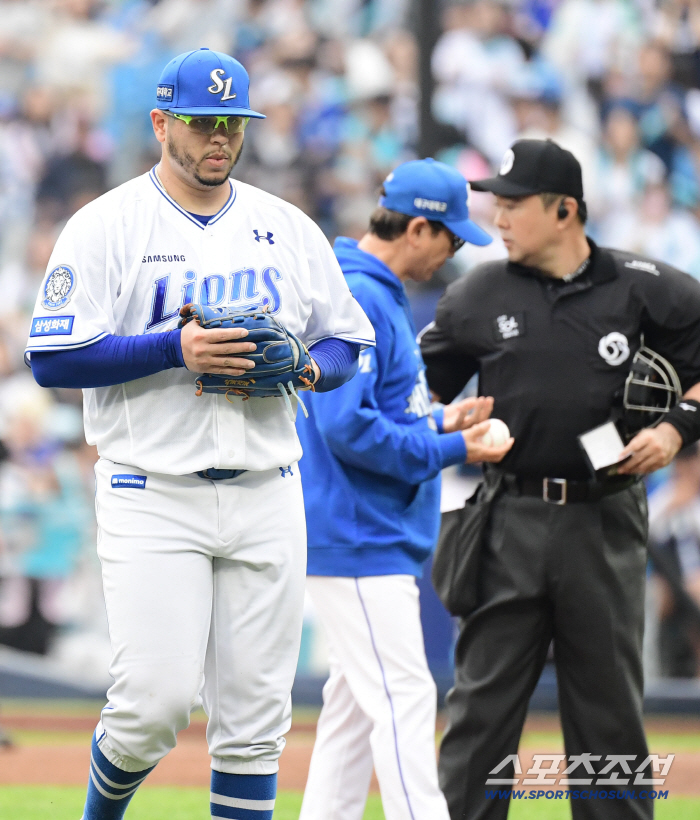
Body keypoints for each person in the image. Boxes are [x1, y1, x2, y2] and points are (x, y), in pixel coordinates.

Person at [25, 47, 374, 820]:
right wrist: (170, 348)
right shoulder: (106, 224)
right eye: (202, 121)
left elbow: (347, 343)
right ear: (160, 122)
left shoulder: (285, 226)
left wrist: (309, 370)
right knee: (153, 703)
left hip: (266, 488)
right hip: (152, 490)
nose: (220, 137)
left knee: (254, 729)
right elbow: (50, 357)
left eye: (233, 123)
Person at [419, 138, 700, 820]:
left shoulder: (646, 286)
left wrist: (676, 427)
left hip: (604, 520)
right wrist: (452, 427)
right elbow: (418, 391)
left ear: (566, 209)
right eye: (497, 204)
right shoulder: (476, 294)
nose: (500, 218)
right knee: (479, 720)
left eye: (514, 204)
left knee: (608, 722)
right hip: (506, 517)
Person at [296, 158, 513, 820]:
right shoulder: (360, 294)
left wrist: (443, 419)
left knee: (356, 714)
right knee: (405, 697)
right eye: (449, 237)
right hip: (359, 530)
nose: (451, 253)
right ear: (418, 227)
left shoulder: (372, 288)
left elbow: (378, 411)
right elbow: (345, 426)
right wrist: (455, 446)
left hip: (364, 527)